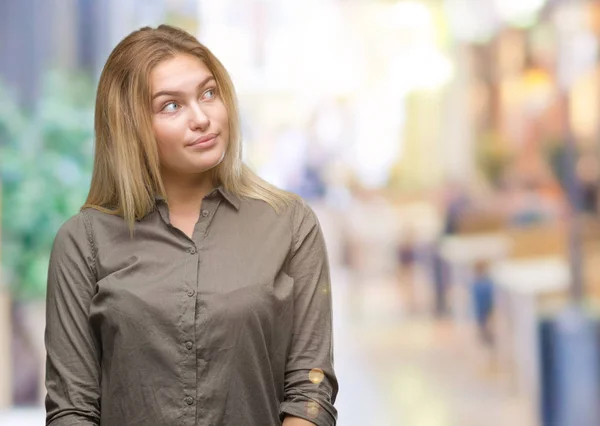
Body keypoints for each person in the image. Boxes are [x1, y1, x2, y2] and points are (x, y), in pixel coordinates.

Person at [44, 25, 338, 426]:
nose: (202, 118)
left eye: (208, 93)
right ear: (130, 126)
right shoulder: (83, 242)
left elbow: (310, 391)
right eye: (170, 106)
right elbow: (72, 410)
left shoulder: (289, 224)